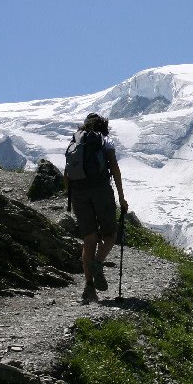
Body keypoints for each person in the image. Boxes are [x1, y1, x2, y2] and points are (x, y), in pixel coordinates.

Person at [67, 113, 128, 303]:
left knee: (89, 238)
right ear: (103, 125)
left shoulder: (75, 142)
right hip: (101, 191)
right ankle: (98, 263)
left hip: (78, 193)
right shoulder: (104, 140)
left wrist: (71, 195)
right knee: (110, 233)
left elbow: (67, 172)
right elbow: (115, 169)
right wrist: (121, 197)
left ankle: (89, 288)